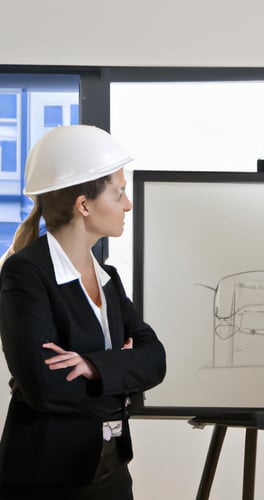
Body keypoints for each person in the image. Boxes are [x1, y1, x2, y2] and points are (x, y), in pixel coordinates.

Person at [0, 125, 167, 500]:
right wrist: (121, 373)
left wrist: (93, 366)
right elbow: (43, 387)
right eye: (119, 193)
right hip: (48, 479)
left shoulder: (108, 277)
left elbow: (156, 359)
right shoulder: (26, 273)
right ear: (84, 204)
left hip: (110, 471)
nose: (128, 204)